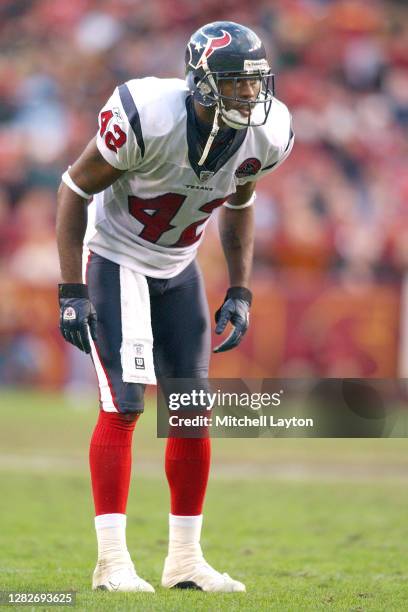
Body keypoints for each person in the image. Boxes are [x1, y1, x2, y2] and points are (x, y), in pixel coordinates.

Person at [56, 20, 293, 593]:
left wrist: (239, 289)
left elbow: (241, 202)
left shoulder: (268, 133)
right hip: (116, 257)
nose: (247, 94)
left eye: (254, 82)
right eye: (234, 82)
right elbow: (74, 189)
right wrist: (70, 292)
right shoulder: (149, 115)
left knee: (191, 411)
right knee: (126, 406)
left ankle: (185, 560)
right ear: (202, 82)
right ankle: (112, 564)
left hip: (178, 268)